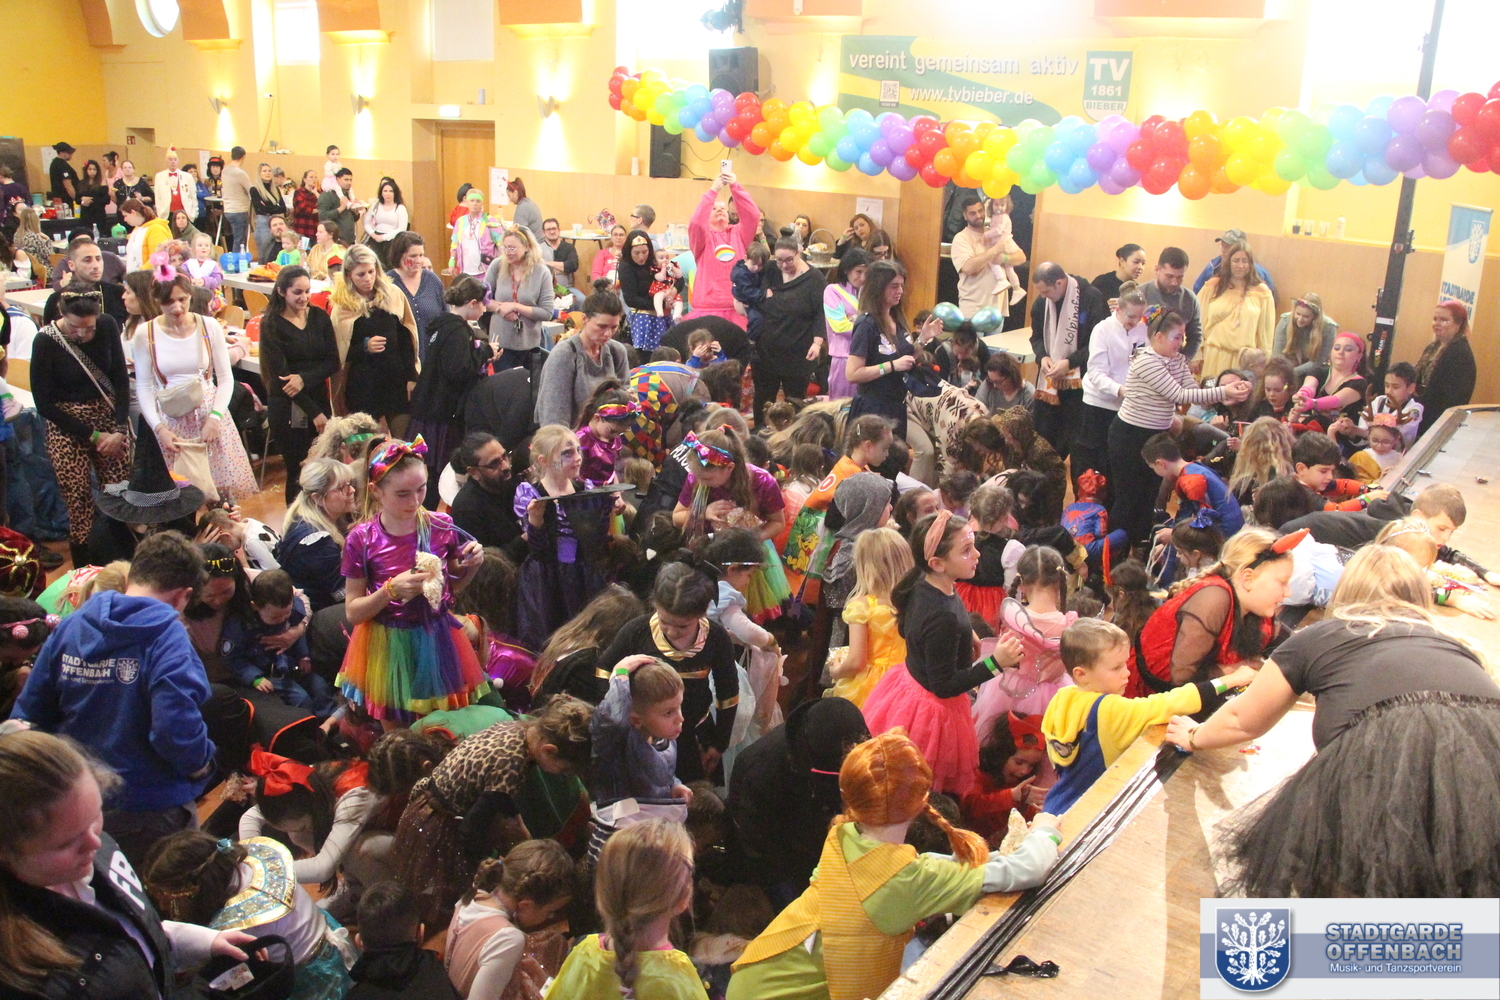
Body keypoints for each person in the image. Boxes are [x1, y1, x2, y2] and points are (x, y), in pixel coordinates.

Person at [1166, 544, 1500, 897]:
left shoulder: (1321, 637)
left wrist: (1194, 735)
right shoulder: (1456, 645)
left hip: (1381, 751)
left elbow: (1242, 719)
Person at [727, 732, 1061, 1000]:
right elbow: (1028, 870)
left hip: (756, 976)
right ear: (920, 803)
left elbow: (923, 870)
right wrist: (1045, 831)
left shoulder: (843, 834)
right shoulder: (912, 880)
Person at [0, 731, 258, 1000]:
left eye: (95, 816)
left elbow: (126, 929)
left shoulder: (95, 851)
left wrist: (193, 941)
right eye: (66, 843)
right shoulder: (16, 971)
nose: (95, 843)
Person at [12, 532, 215, 864]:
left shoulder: (73, 624)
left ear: (132, 575)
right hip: (151, 804)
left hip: (77, 802)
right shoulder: (168, 637)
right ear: (184, 595)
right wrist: (199, 761)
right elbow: (173, 728)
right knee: (178, 885)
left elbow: (30, 713)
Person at [392, 697, 592, 927]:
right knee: (449, 895)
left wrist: (515, 820)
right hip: (440, 823)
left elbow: (499, 800)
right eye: (563, 769)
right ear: (549, 750)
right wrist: (480, 862)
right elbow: (471, 827)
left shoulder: (515, 729)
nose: (561, 774)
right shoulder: (511, 766)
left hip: (434, 805)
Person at [862, 512, 1023, 796]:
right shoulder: (941, 616)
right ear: (937, 563)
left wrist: (967, 632)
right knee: (920, 787)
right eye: (966, 550)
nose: (977, 555)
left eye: (973, 545)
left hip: (908, 688)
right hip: (930, 712)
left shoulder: (928, 582)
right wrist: (996, 663)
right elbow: (944, 685)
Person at [337, 438, 488, 727]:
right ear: (376, 491)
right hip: (388, 644)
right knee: (397, 730)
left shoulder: (440, 525)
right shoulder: (362, 539)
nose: (415, 502)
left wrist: (472, 567)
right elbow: (353, 612)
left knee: (442, 727)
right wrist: (390, 590)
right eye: (402, 494)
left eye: (421, 489)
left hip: (437, 636)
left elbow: (451, 588)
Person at [1042, 618, 1255, 814]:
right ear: (1081, 674)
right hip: (1087, 812)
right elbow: (1168, 704)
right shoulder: (1109, 709)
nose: (1127, 672)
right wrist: (1230, 680)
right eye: (1116, 668)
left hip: (1057, 804)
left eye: (1125, 663)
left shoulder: (1062, 698)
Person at [141, 830, 356, 997]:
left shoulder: (237, 924)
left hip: (309, 976)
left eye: (167, 898)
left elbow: (224, 969)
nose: (162, 905)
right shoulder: (244, 866)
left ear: (190, 892)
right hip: (323, 932)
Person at [1107, 309, 1250, 546]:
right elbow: (1179, 395)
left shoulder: (1178, 360)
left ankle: (1140, 546)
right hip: (1130, 435)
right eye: (1176, 337)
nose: (1181, 343)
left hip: (1157, 435)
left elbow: (1195, 394)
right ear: (1159, 337)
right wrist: (1224, 390)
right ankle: (1114, 551)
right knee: (1128, 498)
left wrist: (1230, 392)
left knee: (1149, 496)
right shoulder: (1146, 361)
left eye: (1183, 337)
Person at [596, 561, 740, 782]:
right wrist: (621, 713)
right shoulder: (636, 632)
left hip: (694, 736)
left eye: (682, 626)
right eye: (664, 622)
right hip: (644, 738)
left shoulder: (717, 638)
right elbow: (604, 670)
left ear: (703, 613)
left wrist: (720, 743)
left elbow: (728, 692)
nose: (671, 632)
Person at [133, 272, 258, 502]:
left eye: (182, 299)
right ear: (157, 301)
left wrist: (215, 418)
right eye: (169, 302)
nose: (177, 307)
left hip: (210, 417)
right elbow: (144, 386)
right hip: (171, 423)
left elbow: (225, 378)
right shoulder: (145, 334)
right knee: (180, 498)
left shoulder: (208, 326)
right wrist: (159, 429)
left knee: (221, 499)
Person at [1127, 527, 1292, 701]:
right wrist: (1233, 671)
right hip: (1153, 702)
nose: (1288, 593)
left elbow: (1295, 647)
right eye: (1282, 582)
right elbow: (1182, 679)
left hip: (1195, 702)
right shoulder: (1213, 598)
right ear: (1247, 579)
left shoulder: (1256, 605)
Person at [30, 288, 132, 566]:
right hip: (66, 424)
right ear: (62, 315)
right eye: (76, 328)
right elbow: (44, 404)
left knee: (119, 493)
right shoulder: (45, 340)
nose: (83, 334)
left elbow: (120, 380)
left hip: (107, 417)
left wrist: (119, 428)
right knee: (79, 503)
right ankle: (84, 570)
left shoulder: (107, 325)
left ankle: (122, 563)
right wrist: (93, 435)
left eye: (89, 327)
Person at [513, 426, 613, 652]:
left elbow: (595, 542)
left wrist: (605, 510)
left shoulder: (585, 488)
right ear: (544, 460)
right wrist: (536, 521)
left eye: (578, 450)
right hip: (546, 579)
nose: (578, 458)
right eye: (567, 453)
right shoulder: (531, 493)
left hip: (583, 574)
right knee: (549, 640)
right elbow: (538, 550)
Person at [445, 842, 574, 1000]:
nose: (550, 918)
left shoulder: (473, 897)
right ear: (525, 905)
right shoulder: (509, 938)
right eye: (550, 912)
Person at [972, 546, 1077, 738]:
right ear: (1061, 580)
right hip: (1059, 697)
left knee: (1006, 743)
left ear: (1021, 584)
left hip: (1012, 693)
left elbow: (1003, 661)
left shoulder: (1014, 620)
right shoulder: (1069, 624)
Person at [408, 277, 497, 500]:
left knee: (429, 469)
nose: (484, 309)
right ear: (473, 303)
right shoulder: (457, 330)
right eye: (483, 304)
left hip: (430, 407)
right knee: (437, 471)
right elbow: (458, 370)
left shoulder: (444, 325)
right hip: (442, 413)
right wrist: (486, 352)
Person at [261, 266, 341, 503]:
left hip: (317, 397)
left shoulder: (319, 317)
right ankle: (297, 521)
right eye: (297, 292)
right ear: (281, 291)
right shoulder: (271, 324)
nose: (304, 298)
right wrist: (314, 412)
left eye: (307, 291)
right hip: (288, 407)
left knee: (324, 470)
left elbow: (332, 362)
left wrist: (304, 378)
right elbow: (283, 380)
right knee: (298, 473)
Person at [331, 244, 421, 435]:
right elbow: (338, 351)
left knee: (404, 440)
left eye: (371, 272)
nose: (368, 279)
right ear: (349, 275)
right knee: (366, 443)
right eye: (361, 274)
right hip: (363, 384)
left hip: (395, 380)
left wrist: (411, 377)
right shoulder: (342, 306)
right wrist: (365, 347)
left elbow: (407, 339)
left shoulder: (393, 294)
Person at [1028, 262, 1107, 459]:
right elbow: (1036, 337)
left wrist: (1070, 362)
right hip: (1049, 381)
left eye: (1046, 291)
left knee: (1075, 440)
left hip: (1079, 384)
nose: (1043, 296)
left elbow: (1098, 344)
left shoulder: (1091, 298)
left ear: (1059, 283)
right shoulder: (1042, 303)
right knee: (1043, 438)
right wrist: (1042, 356)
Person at [1076, 282, 1148, 495]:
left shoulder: (1142, 330)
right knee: (1096, 461)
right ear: (1118, 309)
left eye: (1139, 317)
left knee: (1118, 460)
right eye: (1130, 316)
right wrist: (1120, 390)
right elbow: (1096, 373)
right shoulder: (1102, 329)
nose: (1135, 322)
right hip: (1099, 403)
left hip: (1126, 406)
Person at [825, 526, 909, 708]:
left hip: (872, 687)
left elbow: (856, 661)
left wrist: (837, 671)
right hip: (907, 682)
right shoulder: (915, 602)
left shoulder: (861, 606)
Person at [224, 570, 329, 712]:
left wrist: (303, 656)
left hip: (292, 665)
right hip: (267, 674)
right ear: (255, 606)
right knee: (302, 699)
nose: (283, 619)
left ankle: (330, 721)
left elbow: (298, 634)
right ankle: (309, 723)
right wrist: (254, 678)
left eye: (287, 613)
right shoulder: (241, 625)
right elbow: (233, 658)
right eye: (275, 617)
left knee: (321, 688)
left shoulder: (294, 609)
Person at [533, 280, 630, 428]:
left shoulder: (617, 351)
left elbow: (623, 400)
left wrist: (627, 401)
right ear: (584, 319)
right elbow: (553, 418)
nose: (608, 334)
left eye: (614, 327)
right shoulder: (564, 354)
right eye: (602, 326)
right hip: (570, 435)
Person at [754, 237, 827, 427]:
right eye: (779, 260)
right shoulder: (770, 270)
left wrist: (817, 343)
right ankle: (760, 435)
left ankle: (794, 435)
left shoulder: (815, 278)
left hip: (798, 349)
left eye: (789, 260)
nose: (784, 265)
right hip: (766, 348)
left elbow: (821, 312)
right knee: (763, 397)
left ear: (798, 253)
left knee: (795, 400)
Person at [846, 260, 921, 437]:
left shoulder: (897, 318)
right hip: (873, 409)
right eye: (894, 286)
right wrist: (892, 366)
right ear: (878, 287)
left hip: (897, 405)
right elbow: (852, 374)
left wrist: (923, 339)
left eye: (901, 285)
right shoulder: (867, 324)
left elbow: (906, 359)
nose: (900, 291)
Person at [279, 457, 359, 612]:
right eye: (342, 488)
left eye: (350, 484)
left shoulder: (311, 516)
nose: (352, 491)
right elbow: (344, 594)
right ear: (317, 498)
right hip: (319, 614)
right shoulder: (315, 542)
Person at [688, 168, 760, 328]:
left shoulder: (739, 233)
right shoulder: (701, 238)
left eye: (723, 208)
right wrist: (713, 190)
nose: (720, 209)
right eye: (714, 208)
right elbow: (696, 223)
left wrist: (735, 186)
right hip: (708, 306)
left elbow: (753, 215)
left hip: (737, 306)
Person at [1143, 432, 1244, 538]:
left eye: (1153, 468)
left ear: (1160, 464)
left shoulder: (1191, 480)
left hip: (1225, 536)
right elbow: (1189, 513)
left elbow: (1206, 523)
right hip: (1228, 530)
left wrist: (1174, 535)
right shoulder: (1195, 468)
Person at [1197, 242, 1275, 378]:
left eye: (1245, 261)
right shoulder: (1213, 286)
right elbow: (1196, 322)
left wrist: (1264, 362)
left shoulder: (1262, 292)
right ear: (1228, 262)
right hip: (1213, 356)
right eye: (1236, 261)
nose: (1240, 265)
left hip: (1244, 362)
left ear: (1251, 264)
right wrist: (1196, 354)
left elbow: (1266, 334)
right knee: (1211, 390)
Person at [485, 226, 555, 373]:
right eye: (505, 248)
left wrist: (515, 307)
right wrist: (500, 308)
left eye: (512, 248)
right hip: (501, 343)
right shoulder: (497, 266)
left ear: (527, 247)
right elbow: (483, 300)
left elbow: (547, 312)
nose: (508, 252)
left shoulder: (542, 272)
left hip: (530, 345)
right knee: (504, 383)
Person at [949, 194, 1026, 319]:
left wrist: (1004, 258)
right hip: (974, 310)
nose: (978, 215)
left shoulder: (994, 233)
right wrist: (995, 250)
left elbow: (1021, 257)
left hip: (997, 311)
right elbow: (967, 267)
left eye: (980, 211)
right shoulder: (961, 238)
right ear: (965, 215)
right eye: (973, 213)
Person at [448, 433, 523, 556]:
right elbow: (484, 560)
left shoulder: (512, 481)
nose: (505, 466)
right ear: (474, 472)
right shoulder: (466, 509)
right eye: (494, 464)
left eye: (505, 456)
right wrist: (524, 540)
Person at [1414, 299, 1476, 438]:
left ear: (1458, 324)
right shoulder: (1432, 347)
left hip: (1439, 420)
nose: (1437, 323)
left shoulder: (1460, 353)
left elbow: (1453, 398)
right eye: (1435, 319)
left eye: (1444, 320)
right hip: (1422, 413)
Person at [616, 229, 679, 352]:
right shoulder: (626, 266)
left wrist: (674, 291)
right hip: (644, 317)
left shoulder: (654, 261)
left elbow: (678, 278)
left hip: (665, 314)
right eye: (636, 253)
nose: (641, 257)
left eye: (645, 252)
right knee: (645, 354)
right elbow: (631, 299)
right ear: (629, 252)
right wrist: (662, 304)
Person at [42, 239, 128, 325]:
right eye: (87, 260)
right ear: (71, 265)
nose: (96, 265)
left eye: (98, 259)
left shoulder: (119, 294)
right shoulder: (57, 299)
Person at [822, 247, 870, 401]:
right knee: (841, 406)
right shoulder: (832, 291)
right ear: (846, 270)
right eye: (858, 272)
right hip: (843, 358)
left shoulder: (868, 293)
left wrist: (856, 319)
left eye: (867, 273)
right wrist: (866, 325)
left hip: (867, 358)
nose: (863, 277)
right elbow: (839, 326)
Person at [1140, 246, 1202, 359]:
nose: (1174, 282)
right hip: (1141, 359)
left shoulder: (1189, 299)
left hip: (1175, 360)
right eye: (1169, 276)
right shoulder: (1140, 294)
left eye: (1180, 277)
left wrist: (1183, 359)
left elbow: (1195, 336)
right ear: (1157, 270)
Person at [1271, 292, 1336, 368]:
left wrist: (1294, 372)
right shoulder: (1285, 321)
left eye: (1306, 316)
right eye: (1298, 314)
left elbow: (1319, 361)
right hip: (1287, 365)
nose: (1300, 319)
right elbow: (1277, 355)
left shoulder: (1329, 327)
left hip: (1314, 368)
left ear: (1315, 317)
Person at [364, 177, 409, 267]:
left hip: (392, 240)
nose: (388, 194)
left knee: (390, 265)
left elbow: (402, 228)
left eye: (391, 191)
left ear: (395, 193)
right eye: (385, 191)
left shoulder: (400, 208)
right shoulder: (376, 205)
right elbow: (366, 222)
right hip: (375, 239)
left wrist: (383, 237)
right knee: (377, 265)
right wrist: (373, 234)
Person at [119, 200, 171, 272]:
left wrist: (140, 272)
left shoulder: (156, 229)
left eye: (125, 216)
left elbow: (158, 257)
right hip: (135, 275)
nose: (125, 219)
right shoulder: (137, 228)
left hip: (147, 276)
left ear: (133, 213)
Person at [151, 148, 197, 222]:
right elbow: (158, 197)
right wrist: (160, 212)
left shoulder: (187, 176)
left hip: (185, 212)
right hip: (167, 214)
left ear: (178, 161)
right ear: (166, 162)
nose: (173, 162)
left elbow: (193, 196)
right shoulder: (159, 176)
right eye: (170, 159)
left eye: (175, 159)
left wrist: (194, 212)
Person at [539, 218, 582, 298]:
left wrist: (546, 264)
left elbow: (572, 265)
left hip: (567, 288)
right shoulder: (537, 249)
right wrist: (562, 267)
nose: (552, 232)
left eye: (554, 229)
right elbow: (536, 267)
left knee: (581, 299)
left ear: (559, 230)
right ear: (543, 233)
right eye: (548, 229)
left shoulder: (569, 247)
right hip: (544, 289)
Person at [320, 168, 363, 246]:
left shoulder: (348, 195)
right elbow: (322, 216)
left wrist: (355, 212)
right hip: (335, 241)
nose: (349, 183)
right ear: (338, 179)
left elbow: (353, 219)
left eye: (350, 180)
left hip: (349, 240)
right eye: (346, 180)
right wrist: (341, 208)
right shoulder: (327, 195)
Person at [75, 159, 110, 231]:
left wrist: (91, 200)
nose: (92, 171)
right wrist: (82, 200)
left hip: (98, 214)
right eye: (90, 169)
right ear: (86, 170)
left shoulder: (102, 183)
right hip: (85, 215)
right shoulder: (81, 183)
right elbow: (77, 199)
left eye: (94, 169)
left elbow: (106, 200)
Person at [49, 140, 79, 206]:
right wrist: (76, 199)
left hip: (58, 200)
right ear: (62, 153)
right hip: (65, 200)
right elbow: (68, 185)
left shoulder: (54, 163)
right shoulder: (62, 165)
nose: (71, 155)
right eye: (69, 153)